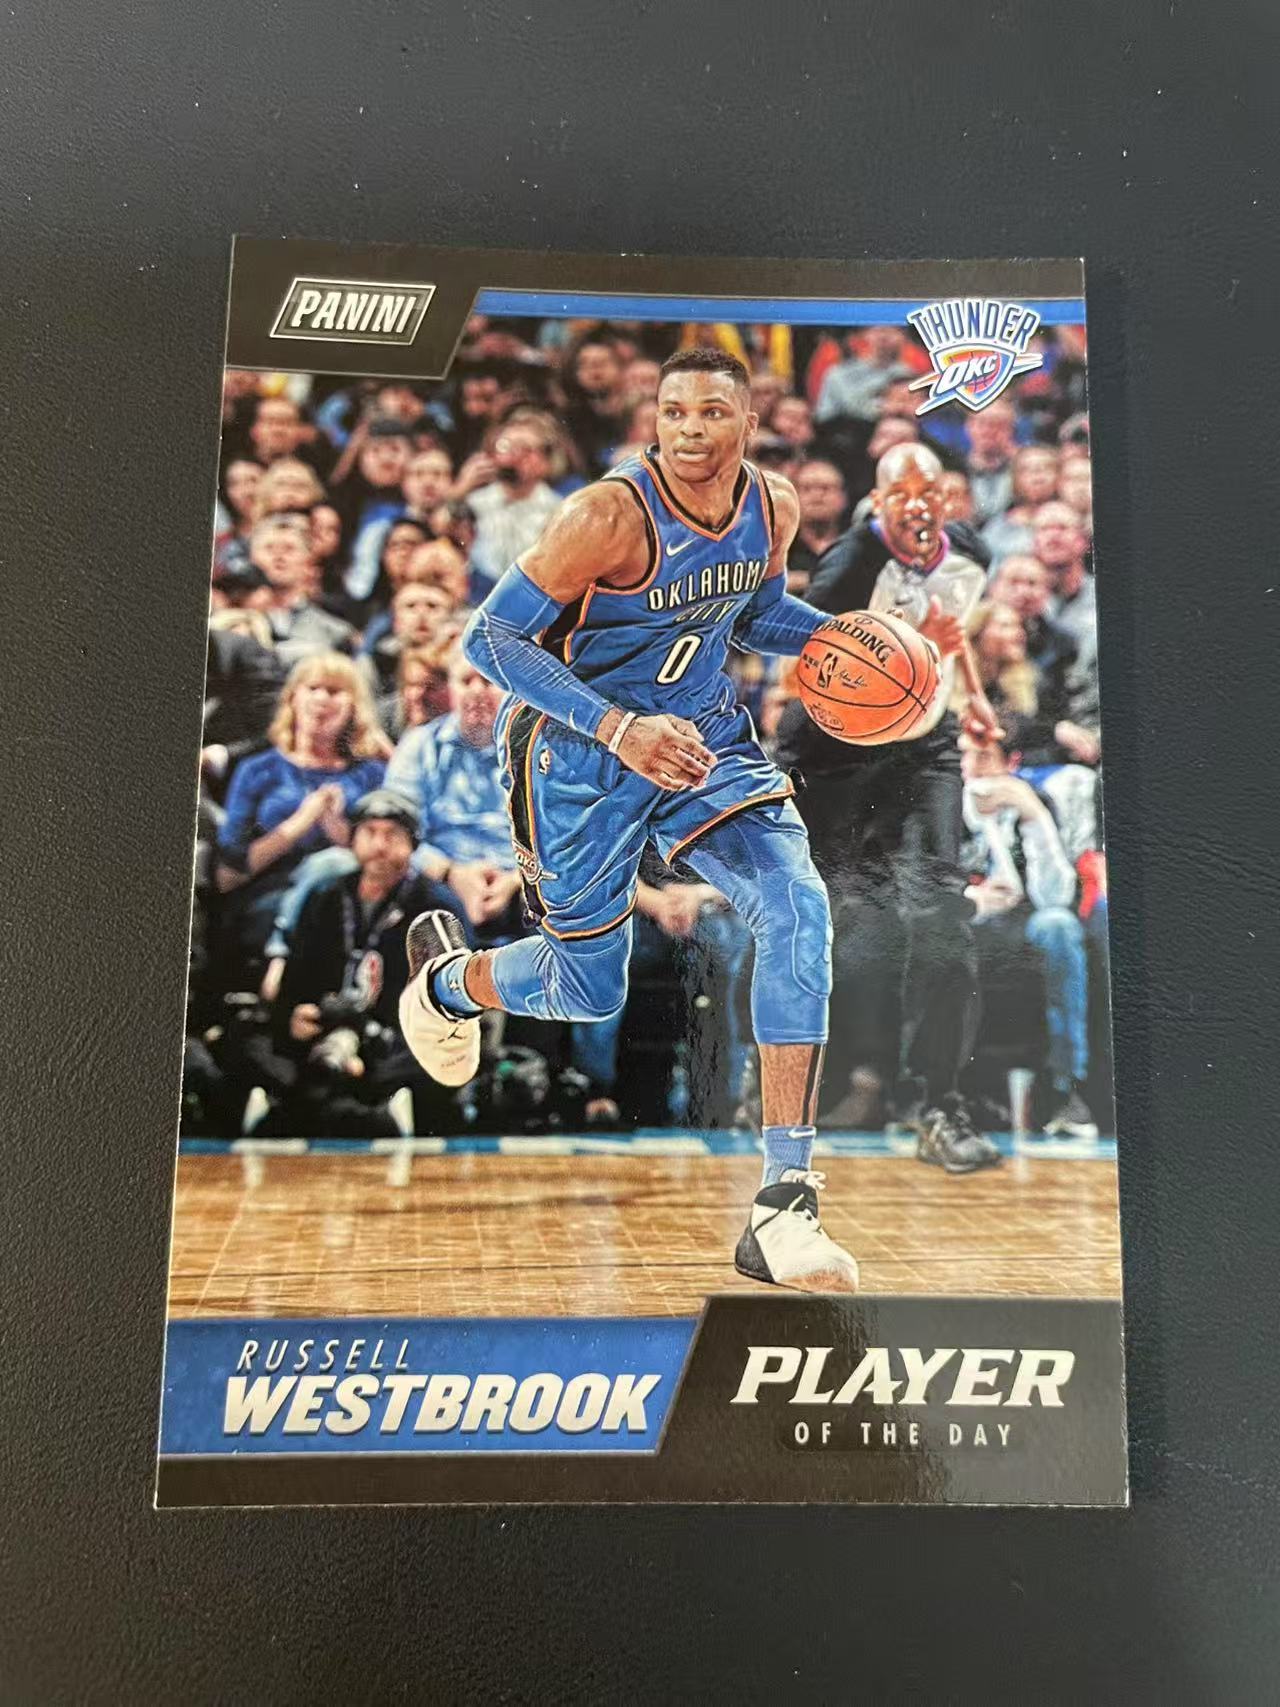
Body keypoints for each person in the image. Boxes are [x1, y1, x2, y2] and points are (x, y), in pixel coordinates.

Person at [398, 346, 859, 1293]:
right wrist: (619, 727)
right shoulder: (607, 514)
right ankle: (448, 984)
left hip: (699, 735)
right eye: (673, 411)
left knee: (798, 907)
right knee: (586, 986)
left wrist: (842, 636)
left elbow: (754, 615)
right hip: (578, 749)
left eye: (712, 412)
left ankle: (785, 1201)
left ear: (750, 422)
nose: (690, 429)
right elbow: (491, 637)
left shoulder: (771, 505)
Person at [774, 440, 1005, 1172]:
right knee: (813, 920)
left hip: (924, 748)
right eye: (899, 495)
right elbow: (801, 671)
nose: (917, 507)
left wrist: (973, 696)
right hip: (834, 756)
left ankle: (940, 1105)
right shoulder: (847, 566)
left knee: (942, 914)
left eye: (929, 494)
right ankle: (779, 1090)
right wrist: (906, 650)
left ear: (948, 501)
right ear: (877, 504)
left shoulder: (970, 554)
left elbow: (950, 630)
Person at [272, 789, 440, 1136]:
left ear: (412, 843)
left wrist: (376, 1033)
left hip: (395, 1038)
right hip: (328, 1035)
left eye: (392, 835)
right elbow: (295, 981)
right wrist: (296, 1015)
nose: (379, 845)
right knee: (250, 1042)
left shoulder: (435, 905)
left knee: (433, 1059)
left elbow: (447, 998)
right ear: (352, 839)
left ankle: (343, 1103)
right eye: (370, 832)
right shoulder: (326, 896)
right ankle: (357, 1106)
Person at [215, 653, 388, 977]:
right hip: (269, 899)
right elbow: (228, 875)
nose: (322, 699)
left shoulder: (371, 775)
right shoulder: (258, 769)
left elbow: (390, 857)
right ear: (292, 698)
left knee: (337, 865)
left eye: (335, 691)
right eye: (313, 688)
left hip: (354, 905)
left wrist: (339, 831)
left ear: (354, 707)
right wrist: (300, 823)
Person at [961, 742, 1098, 1138]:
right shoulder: (944, 803)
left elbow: (1055, 896)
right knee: (937, 934)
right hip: (967, 919)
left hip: (1024, 921)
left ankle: (1065, 1088)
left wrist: (1033, 814)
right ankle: (928, 1092)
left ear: (1010, 763)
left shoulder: (1034, 800)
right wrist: (972, 900)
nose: (972, 767)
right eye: (963, 755)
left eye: (983, 756)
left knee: (1058, 926)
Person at [251, 515, 359, 665]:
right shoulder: (232, 619)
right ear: (252, 557)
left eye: (289, 548)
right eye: (269, 548)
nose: (279, 556)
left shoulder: (335, 631)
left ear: (308, 559)